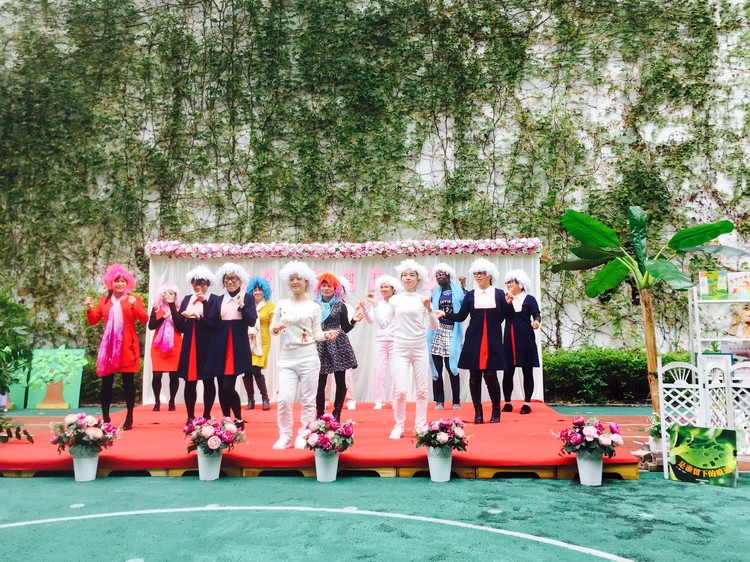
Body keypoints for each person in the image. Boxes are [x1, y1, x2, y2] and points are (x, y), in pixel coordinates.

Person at [270, 261, 339, 449]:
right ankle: (284, 436)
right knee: (284, 399)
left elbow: (316, 333)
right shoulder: (282, 304)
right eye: (291, 279)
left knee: (308, 401)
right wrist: (275, 328)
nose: (295, 282)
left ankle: (304, 434)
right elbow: (272, 328)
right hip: (287, 359)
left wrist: (326, 335)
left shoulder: (313, 307)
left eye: (298, 279)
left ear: (306, 281)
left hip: (309, 358)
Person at [372, 259, 439, 439]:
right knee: (400, 390)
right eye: (405, 275)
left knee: (422, 390)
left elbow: (435, 326)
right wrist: (375, 306)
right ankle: (399, 426)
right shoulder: (395, 299)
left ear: (419, 278)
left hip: (419, 348)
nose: (408, 278)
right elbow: (384, 323)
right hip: (400, 348)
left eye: (412, 275)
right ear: (400, 278)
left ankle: (420, 426)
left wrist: (429, 309)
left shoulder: (424, 299)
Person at [437, 258, 509, 424]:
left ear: (490, 275)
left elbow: (505, 316)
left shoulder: (499, 294)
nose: (478, 276)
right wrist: (444, 314)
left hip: (492, 340)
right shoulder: (470, 295)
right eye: (476, 273)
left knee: (491, 376)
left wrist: (510, 304)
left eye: (481, 273)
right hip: (474, 339)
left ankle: (496, 411)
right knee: (474, 376)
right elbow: (461, 317)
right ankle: (478, 412)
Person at [85, 263, 148, 430]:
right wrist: (90, 309)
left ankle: (129, 416)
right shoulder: (104, 300)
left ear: (128, 283)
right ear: (111, 283)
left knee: (128, 383)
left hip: (127, 345)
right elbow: (93, 320)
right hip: (109, 347)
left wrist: (135, 306)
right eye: (117, 281)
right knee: (106, 383)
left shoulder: (134, 299)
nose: (120, 284)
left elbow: (144, 319)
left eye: (123, 281)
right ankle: (106, 417)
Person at [204, 263, 257, 426]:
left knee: (228, 386)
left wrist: (242, 306)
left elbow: (251, 321)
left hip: (236, 346)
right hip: (219, 346)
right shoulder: (218, 300)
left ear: (240, 281)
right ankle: (227, 418)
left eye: (233, 278)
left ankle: (239, 418)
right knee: (221, 386)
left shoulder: (247, 298)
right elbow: (212, 324)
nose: (230, 282)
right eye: (227, 279)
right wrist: (198, 317)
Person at [315, 273, 362, 422]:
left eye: (329, 286)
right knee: (320, 382)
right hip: (320, 342)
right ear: (319, 288)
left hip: (338, 343)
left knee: (340, 381)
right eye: (324, 285)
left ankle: (337, 413)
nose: (326, 288)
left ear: (335, 289)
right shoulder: (314, 305)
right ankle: (319, 414)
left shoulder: (340, 305)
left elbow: (345, 328)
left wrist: (353, 321)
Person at [172, 266, 217, 424]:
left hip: (207, 343)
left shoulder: (214, 299)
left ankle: (207, 415)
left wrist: (202, 306)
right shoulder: (187, 299)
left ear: (208, 283)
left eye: (202, 283)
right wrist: (171, 306)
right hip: (190, 343)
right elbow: (180, 326)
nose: (198, 286)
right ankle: (190, 416)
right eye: (195, 283)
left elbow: (213, 323)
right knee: (190, 380)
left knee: (208, 380)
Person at [502, 269, 541, 415]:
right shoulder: (506, 299)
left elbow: (537, 314)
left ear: (521, 283)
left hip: (525, 338)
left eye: (511, 282)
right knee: (507, 371)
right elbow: (503, 315)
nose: (508, 285)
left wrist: (536, 322)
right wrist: (507, 303)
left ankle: (527, 403)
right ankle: (507, 402)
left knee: (527, 371)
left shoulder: (529, 299)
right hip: (509, 338)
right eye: (507, 282)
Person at [427, 263, 464, 410]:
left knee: (452, 367)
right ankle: (439, 401)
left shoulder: (458, 290)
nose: (438, 277)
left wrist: (464, 286)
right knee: (436, 367)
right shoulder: (435, 293)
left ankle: (456, 401)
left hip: (451, 332)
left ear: (448, 275)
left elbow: (465, 302)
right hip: (436, 331)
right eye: (436, 275)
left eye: (441, 274)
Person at [362, 275, 402, 409]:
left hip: (395, 341)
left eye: (386, 287)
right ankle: (379, 401)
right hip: (380, 342)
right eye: (382, 287)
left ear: (393, 289)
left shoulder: (397, 303)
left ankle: (395, 400)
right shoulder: (377, 303)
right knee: (379, 372)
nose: (383, 289)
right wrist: (365, 309)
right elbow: (370, 320)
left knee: (395, 373)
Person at [148, 283, 182, 412]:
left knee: (174, 375)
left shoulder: (179, 308)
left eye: (171, 293)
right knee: (157, 375)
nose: (168, 295)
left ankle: (172, 401)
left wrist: (172, 307)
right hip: (158, 346)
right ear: (161, 296)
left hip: (175, 345)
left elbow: (181, 327)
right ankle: (157, 401)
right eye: (166, 293)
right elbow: (151, 326)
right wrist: (164, 317)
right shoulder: (156, 308)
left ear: (175, 296)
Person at [244, 276, 274, 411]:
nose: (257, 292)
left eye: (260, 290)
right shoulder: (247, 306)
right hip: (247, 340)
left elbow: (273, 323)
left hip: (263, 341)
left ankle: (265, 398)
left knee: (256, 369)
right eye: (255, 290)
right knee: (247, 370)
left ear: (265, 292)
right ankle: (250, 399)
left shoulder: (270, 306)